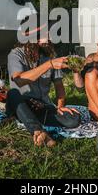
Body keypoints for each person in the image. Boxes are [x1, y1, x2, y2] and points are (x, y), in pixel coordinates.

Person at [6, 17, 80, 148]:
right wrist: (49, 65)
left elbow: (59, 86)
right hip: (22, 105)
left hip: (43, 106)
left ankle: (35, 124)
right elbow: (19, 80)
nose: (50, 37)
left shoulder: (49, 55)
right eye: (46, 33)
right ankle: (39, 131)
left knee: (73, 119)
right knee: (13, 94)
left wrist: (60, 106)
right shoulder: (15, 55)